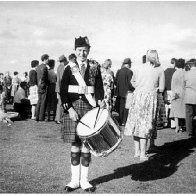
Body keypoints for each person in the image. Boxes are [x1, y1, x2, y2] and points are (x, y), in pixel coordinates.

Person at [60, 36, 104, 192]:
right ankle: (74, 181)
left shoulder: (94, 67)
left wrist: (100, 101)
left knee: (86, 144)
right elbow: (63, 91)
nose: (82, 53)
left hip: (89, 109)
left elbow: (99, 88)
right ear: (75, 51)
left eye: (85, 50)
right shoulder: (68, 68)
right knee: (75, 144)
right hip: (73, 108)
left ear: (89, 51)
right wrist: (69, 109)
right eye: (79, 50)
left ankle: (84, 181)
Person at [124, 50, 164, 161]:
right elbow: (161, 88)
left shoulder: (138, 68)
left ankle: (137, 151)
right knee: (145, 126)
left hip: (137, 97)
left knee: (136, 125)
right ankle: (143, 153)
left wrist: (140, 86)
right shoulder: (159, 70)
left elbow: (133, 82)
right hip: (150, 98)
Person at [115, 58, 134, 126]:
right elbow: (131, 83)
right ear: (129, 64)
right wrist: (133, 89)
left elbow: (115, 81)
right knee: (126, 107)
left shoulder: (119, 71)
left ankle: (120, 121)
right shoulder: (130, 72)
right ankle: (124, 121)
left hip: (119, 92)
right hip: (127, 92)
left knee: (121, 107)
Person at [170, 58, 186, 133]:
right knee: (183, 110)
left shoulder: (175, 73)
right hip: (183, 92)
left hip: (176, 93)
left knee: (176, 111)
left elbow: (172, 85)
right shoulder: (185, 73)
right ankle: (183, 126)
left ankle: (177, 126)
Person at [55, 55, 69, 124]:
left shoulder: (58, 67)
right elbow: (62, 79)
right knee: (61, 103)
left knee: (59, 103)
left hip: (58, 87)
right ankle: (59, 118)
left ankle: (58, 118)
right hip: (62, 88)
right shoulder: (63, 68)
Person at [184, 59, 196, 137]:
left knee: (189, 115)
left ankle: (189, 131)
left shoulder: (186, 74)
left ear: (189, 65)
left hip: (189, 97)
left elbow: (183, 85)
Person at [36, 54, 49, 122]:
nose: (48, 60)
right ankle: (41, 117)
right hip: (43, 86)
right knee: (43, 102)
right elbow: (45, 77)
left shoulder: (38, 67)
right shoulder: (45, 67)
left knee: (39, 101)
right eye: (48, 59)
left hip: (39, 85)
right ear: (45, 59)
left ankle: (37, 116)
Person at [164, 58, 176, 128]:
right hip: (173, 90)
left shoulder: (165, 71)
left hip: (166, 90)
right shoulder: (175, 71)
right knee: (172, 107)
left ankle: (165, 123)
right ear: (174, 63)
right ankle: (173, 124)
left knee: (166, 107)